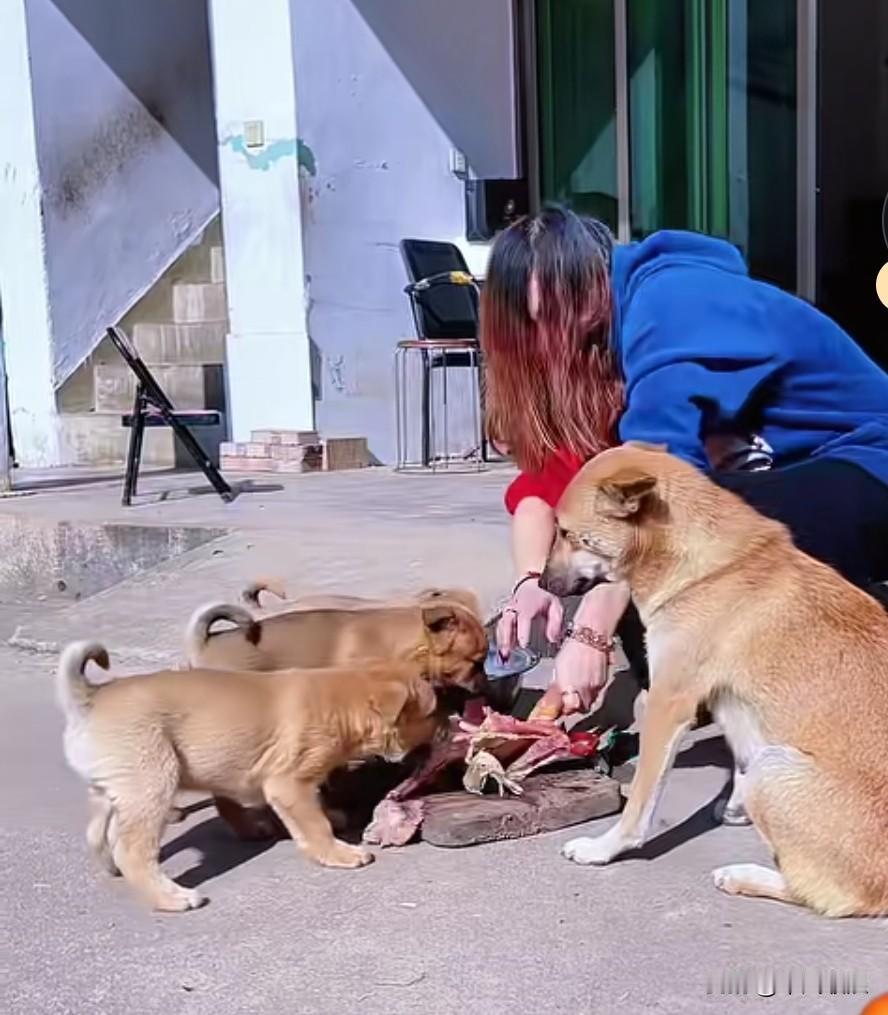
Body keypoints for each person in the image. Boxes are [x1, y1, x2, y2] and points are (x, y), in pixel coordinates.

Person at [482, 206, 888, 717]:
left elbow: (654, 492)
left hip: (870, 463)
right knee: (635, 601)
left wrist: (589, 633)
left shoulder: (670, 305)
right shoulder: (611, 330)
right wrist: (534, 583)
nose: (542, 342)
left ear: (591, 280)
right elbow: (551, 488)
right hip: (802, 470)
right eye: (528, 326)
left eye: (549, 318)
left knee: (694, 531)